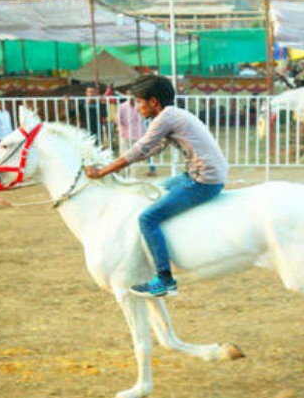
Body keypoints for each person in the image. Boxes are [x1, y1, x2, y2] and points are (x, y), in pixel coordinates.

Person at [84, 75, 228, 298]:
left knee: (147, 218)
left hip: (203, 181)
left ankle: (165, 280)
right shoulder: (171, 115)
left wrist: (102, 172)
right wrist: (111, 166)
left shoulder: (166, 118)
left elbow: (140, 150)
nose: (137, 107)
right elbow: (152, 149)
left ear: (154, 102)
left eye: (139, 102)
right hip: (197, 174)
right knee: (150, 193)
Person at [114, 95, 157, 177]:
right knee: (124, 156)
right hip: (125, 135)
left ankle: (133, 177)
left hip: (139, 135)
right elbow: (118, 120)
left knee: (135, 157)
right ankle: (124, 175)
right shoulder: (122, 107)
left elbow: (147, 117)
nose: (132, 98)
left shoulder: (141, 106)